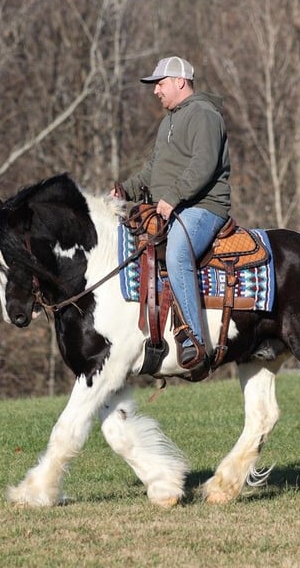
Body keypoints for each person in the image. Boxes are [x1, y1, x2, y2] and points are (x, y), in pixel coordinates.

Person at [114, 56, 231, 370]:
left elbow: (204, 165)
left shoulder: (204, 115)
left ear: (180, 81)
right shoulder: (169, 120)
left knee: (178, 252)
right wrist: (125, 190)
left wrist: (172, 197)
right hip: (176, 205)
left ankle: (193, 338)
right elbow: (153, 170)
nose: (156, 92)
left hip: (203, 207)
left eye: (160, 84)